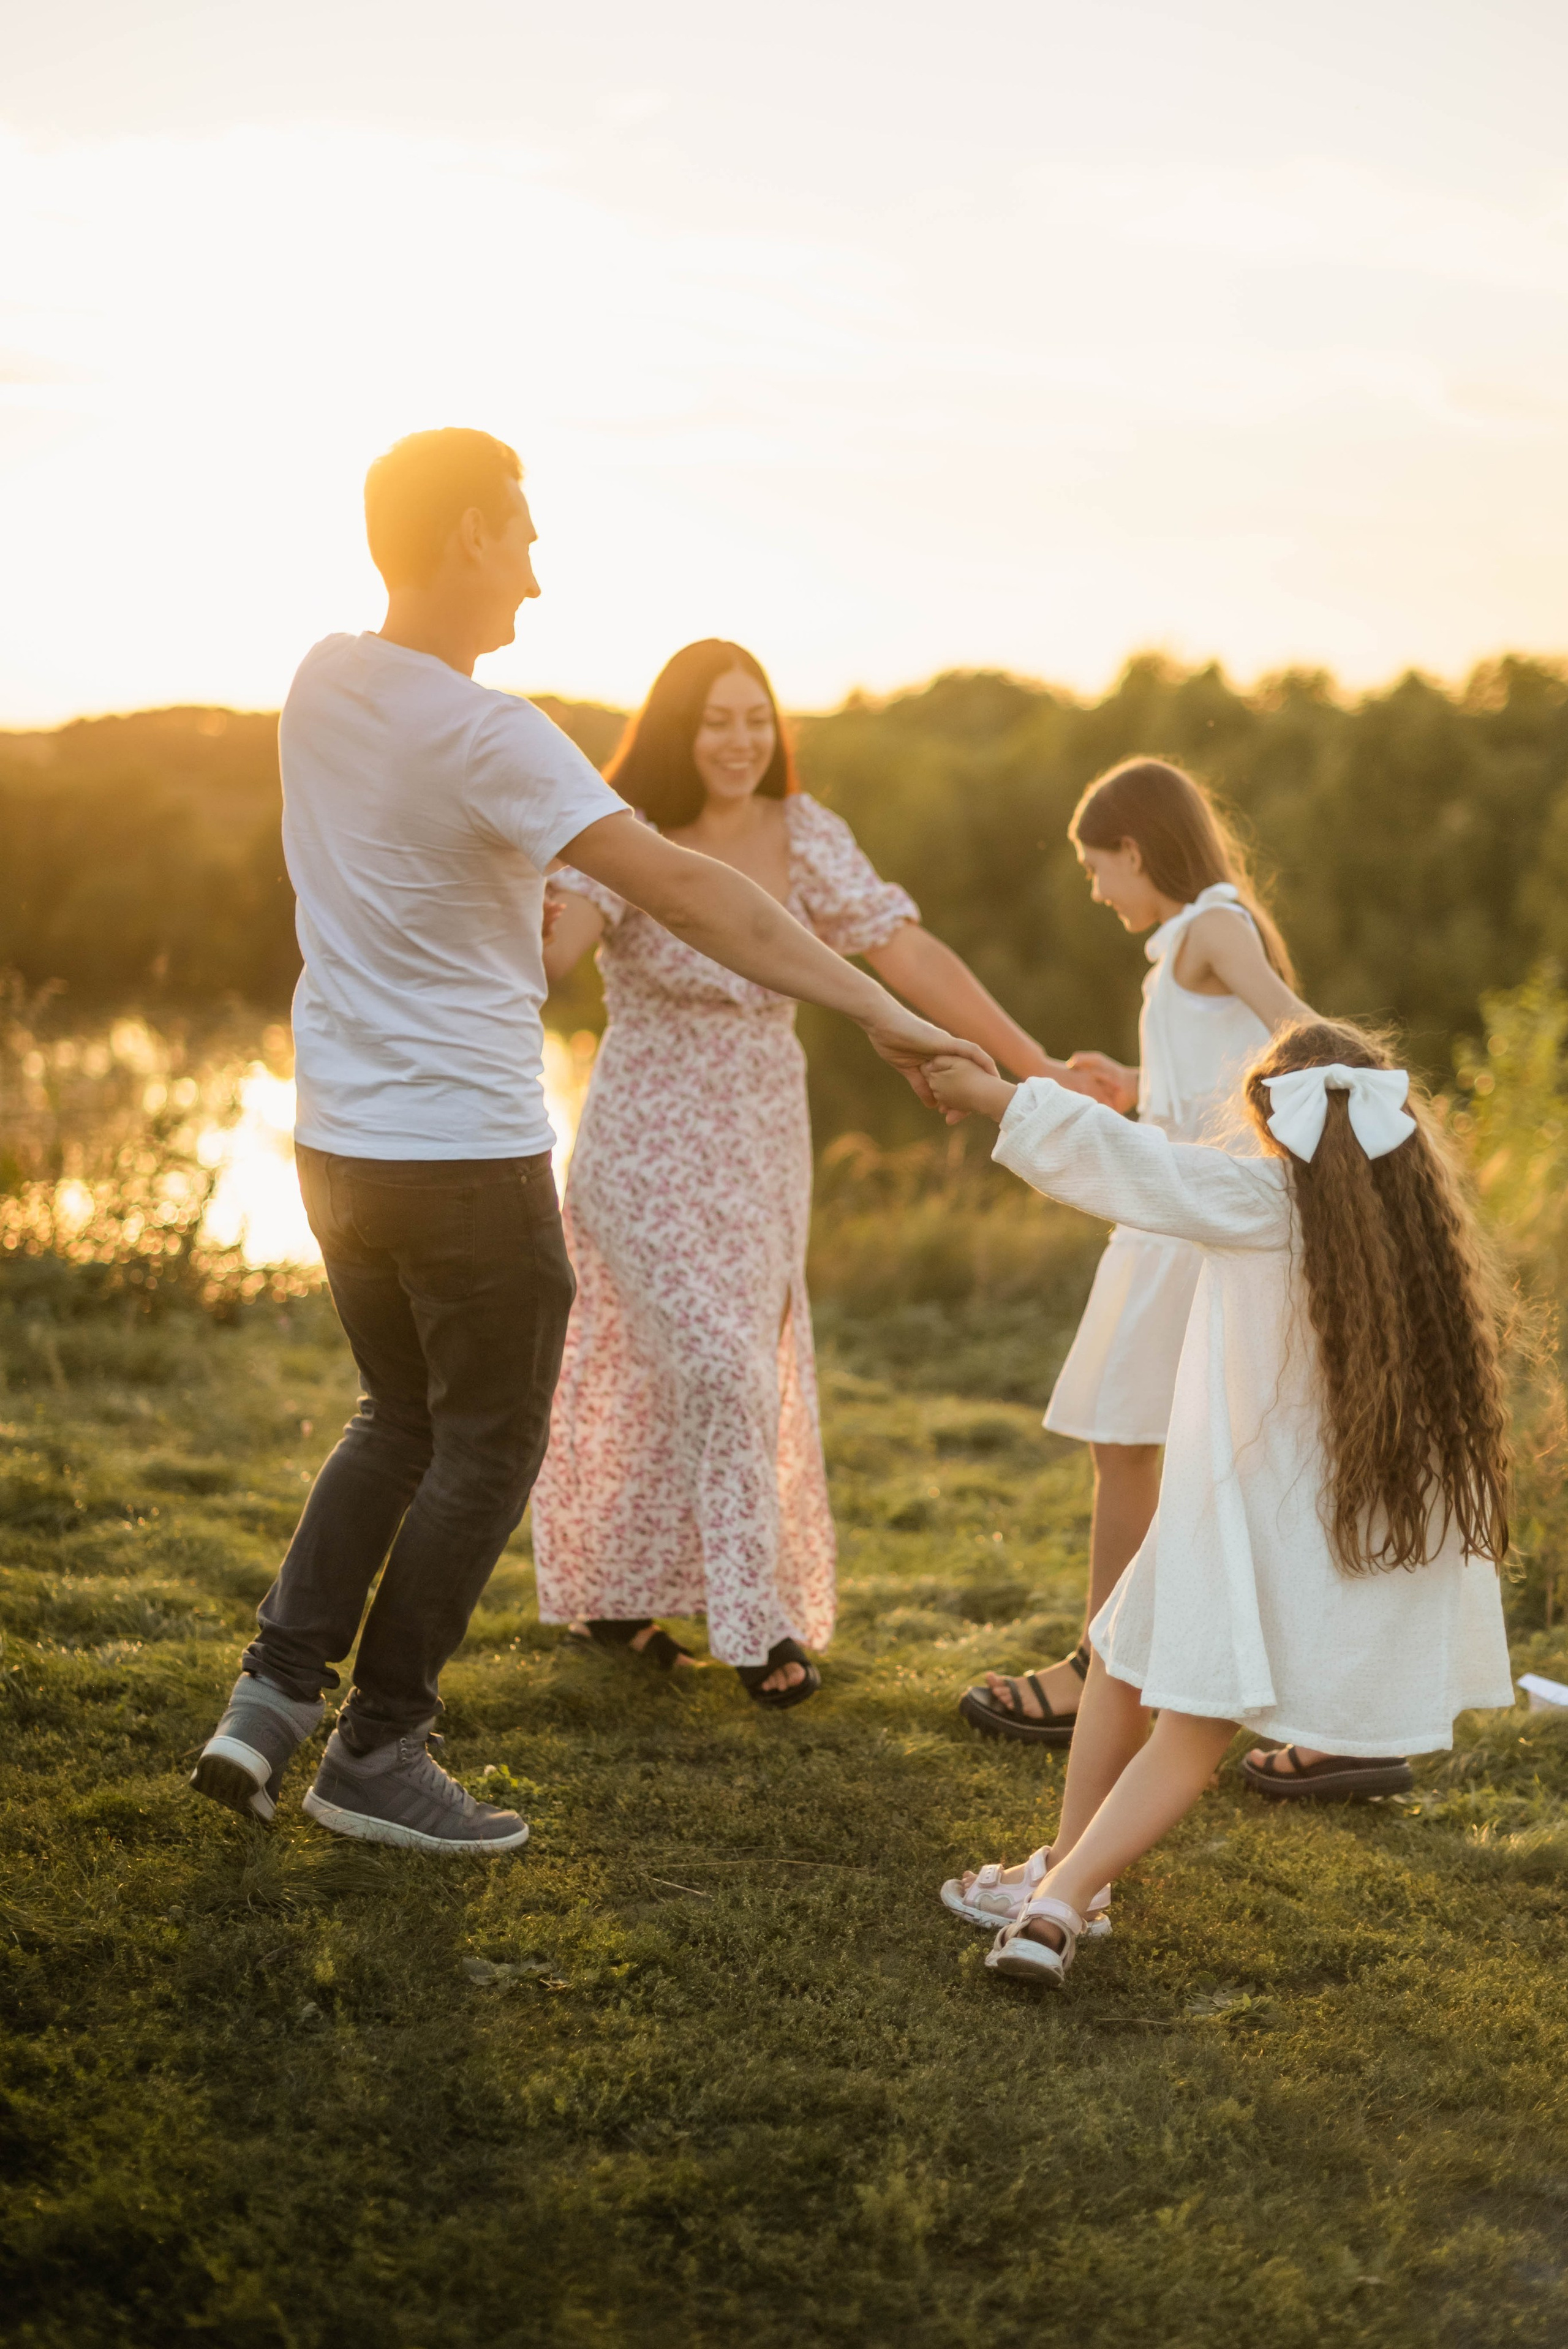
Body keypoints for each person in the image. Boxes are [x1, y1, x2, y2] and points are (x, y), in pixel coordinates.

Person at [188, 431, 985, 1851]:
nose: (538, 576)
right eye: (525, 539)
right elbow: (696, 896)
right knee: (487, 1448)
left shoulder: (323, 682)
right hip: (463, 1158)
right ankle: (378, 1751)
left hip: (338, 1147)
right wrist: (888, 1018)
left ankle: (266, 1701)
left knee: (397, 1417)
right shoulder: (493, 734)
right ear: (468, 538)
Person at [532, 641, 1112, 1703]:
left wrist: (1036, 1070)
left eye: (756, 716)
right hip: (644, 1140)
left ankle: (617, 1602)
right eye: (715, 719)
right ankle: (761, 1631)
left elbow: (907, 953)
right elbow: (550, 957)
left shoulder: (805, 834)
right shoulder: (627, 832)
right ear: (676, 728)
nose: (740, 738)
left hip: (759, 1142)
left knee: (724, 1368)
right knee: (714, 1367)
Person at [925, 1020, 1515, 1985]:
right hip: (1321, 1527)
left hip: (1239, 1520)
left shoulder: (1262, 1198)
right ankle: (1070, 1874)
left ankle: (1057, 1910)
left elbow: (1130, 1163)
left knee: (1190, 1729)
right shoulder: (1415, 1233)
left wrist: (995, 1095)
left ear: (1273, 1122)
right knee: (1116, 1653)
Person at [959, 758, 1321, 1760]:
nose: (1094, 889)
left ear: (1134, 848)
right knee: (1158, 1448)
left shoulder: (1213, 924)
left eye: (1096, 868)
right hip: (1170, 1220)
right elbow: (1220, 1067)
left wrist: (1348, 1105)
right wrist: (1138, 1084)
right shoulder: (1189, 941)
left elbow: (1295, 1029)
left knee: (1131, 1440)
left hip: (1185, 1229)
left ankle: (1096, 1671)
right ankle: (1156, 1671)